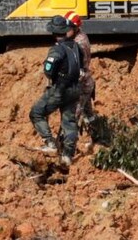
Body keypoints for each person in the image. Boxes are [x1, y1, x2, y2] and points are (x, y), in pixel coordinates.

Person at [30, 15, 84, 167]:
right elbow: (83, 65)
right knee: (69, 121)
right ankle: (68, 155)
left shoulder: (57, 49)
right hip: (75, 88)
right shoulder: (76, 46)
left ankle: (50, 142)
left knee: (36, 113)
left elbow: (49, 70)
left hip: (60, 89)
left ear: (53, 32)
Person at [65, 11, 96, 127]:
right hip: (86, 82)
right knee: (89, 115)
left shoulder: (79, 43)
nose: (64, 30)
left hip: (82, 84)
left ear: (75, 28)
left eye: (67, 28)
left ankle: (67, 144)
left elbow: (78, 69)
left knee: (73, 116)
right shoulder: (77, 36)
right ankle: (97, 136)